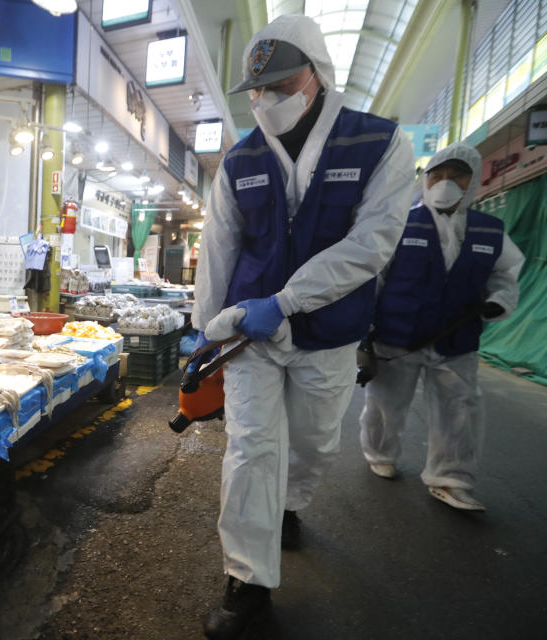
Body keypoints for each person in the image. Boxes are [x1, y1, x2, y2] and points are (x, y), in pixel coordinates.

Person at [191, 15, 415, 639]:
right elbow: (219, 249)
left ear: (318, 77)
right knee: (252, 447)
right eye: (256, 91)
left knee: (313, 442)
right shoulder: (240, 159)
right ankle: (247, 579)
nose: (266, 101)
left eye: (281, 85)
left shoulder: (381, 143)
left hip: (330, 329)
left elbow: (373, 243)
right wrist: (203, 330)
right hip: (249, 334)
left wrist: (288, 301)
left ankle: (290, 504)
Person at [359, 142, 524, 511]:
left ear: (473, 182)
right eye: (438, 174)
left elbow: (506, 276)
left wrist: (499, 300)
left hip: (457, 340)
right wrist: (364, 330)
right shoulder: (399, 223)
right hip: (397, 337)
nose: (445, 182)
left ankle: (450, 479)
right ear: (427, 178)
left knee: (460, 410)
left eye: (457, 176)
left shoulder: (490, 232)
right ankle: (379, 454)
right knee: (385, 404)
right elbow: (375, 279)